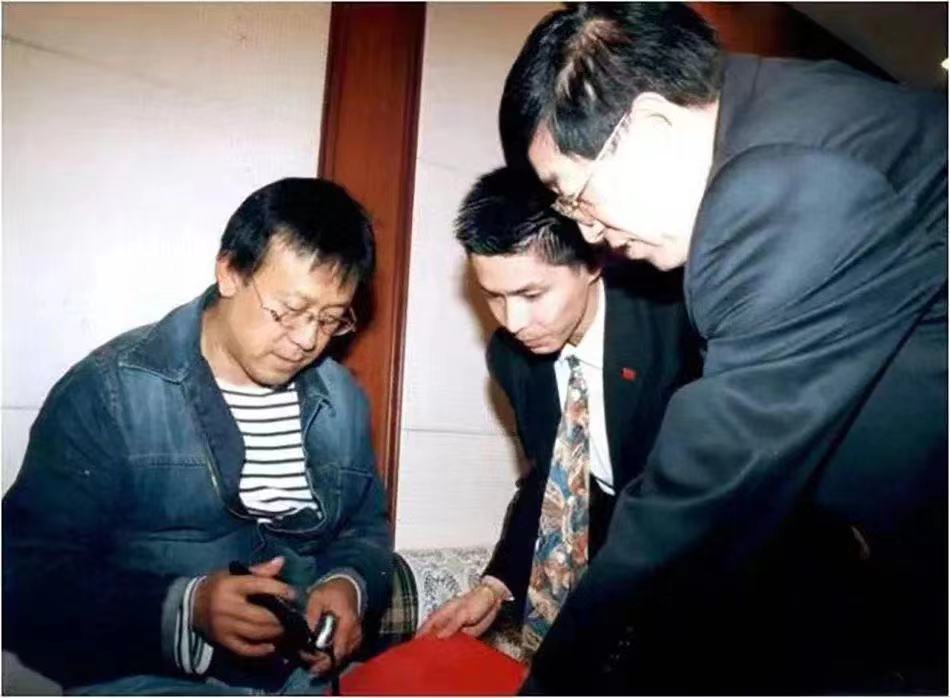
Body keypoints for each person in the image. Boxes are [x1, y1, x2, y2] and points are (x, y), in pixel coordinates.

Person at [499, 2, 947, 693]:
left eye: (576, 196)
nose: (586, 232)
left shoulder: (772, 187)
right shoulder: (776, 109)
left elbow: (697, 503)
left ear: (651, 129)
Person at [2, 178, 394, 694]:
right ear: (230, 271)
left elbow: (364, 529)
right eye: (288, 311)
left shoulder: (341, 401)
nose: (306, 340)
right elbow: (21, 576)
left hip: (301, 680)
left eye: (329, 319)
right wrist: (184, 609)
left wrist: (349, 585)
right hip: (144, 679)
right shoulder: (110, 392)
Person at [418, 167, 699, 659]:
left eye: (531, 295)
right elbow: (553, 480)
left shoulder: (676, 320)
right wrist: (494, 586)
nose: (513, 321)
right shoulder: (510, 359)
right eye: (493, 297)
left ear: (592, 261)